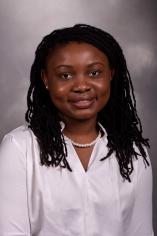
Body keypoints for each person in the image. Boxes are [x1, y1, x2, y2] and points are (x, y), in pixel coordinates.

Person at [0, 24, 154, 236]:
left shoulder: (133, 152)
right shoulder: (19, 148)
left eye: (94, 72)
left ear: (111, 74)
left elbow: (141, 232)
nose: (81, 85)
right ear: (46, 79)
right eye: (65, 76)